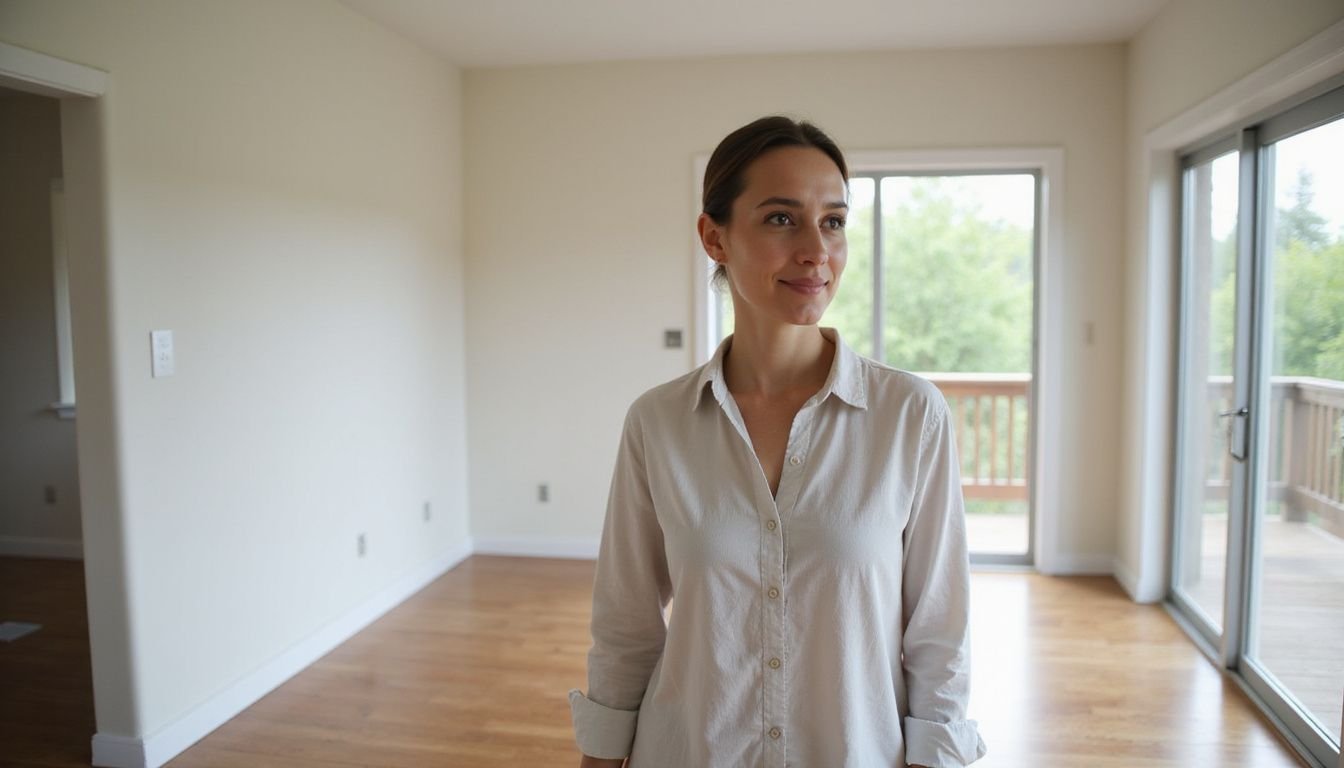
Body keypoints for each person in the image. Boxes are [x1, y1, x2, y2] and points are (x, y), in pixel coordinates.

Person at [568, 115, 986, 768]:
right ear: (715, 237)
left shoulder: (909, 417)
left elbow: (940, 633)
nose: (817, 251)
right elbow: (627, 623)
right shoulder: (658, 424)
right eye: (781, 219)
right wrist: (599, 757)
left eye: (835, 221)